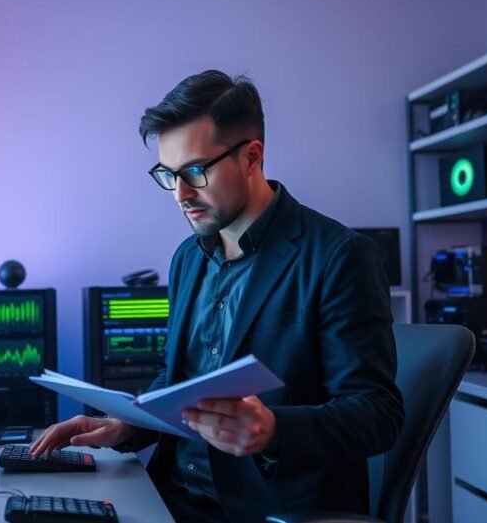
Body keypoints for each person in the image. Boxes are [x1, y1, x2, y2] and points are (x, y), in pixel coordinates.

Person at [30, 70, 404, 523]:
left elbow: (378, 415)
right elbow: (178, 381)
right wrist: (127, 424)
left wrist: (274, 430)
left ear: (252, 156)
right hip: (169, 497)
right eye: (168, 175)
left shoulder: (339, 256)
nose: (180, 194)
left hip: (266, 509)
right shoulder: (187, 258)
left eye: (194, 171)